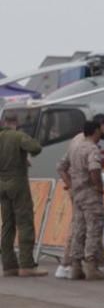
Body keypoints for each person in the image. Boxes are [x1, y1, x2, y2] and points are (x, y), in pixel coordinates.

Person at [55, 115, 104, 279]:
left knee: (79, 230)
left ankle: (75, 267)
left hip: (78, 194)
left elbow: (60, 166)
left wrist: (71, 184)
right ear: (96, 130)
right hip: (90, 194)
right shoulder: (92, 149)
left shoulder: (75, 146)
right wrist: (99, 187)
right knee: (94, 229)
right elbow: (94, 169)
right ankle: (91, 266)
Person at [0, 113, 46, 276]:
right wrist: (24, 155)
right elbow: (36, 148)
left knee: (7, 225)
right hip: (18, 183)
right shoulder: (18, 136)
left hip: (2, 185)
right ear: (16, 123)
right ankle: (26, 265)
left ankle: (9, 265)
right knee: (24, 222)